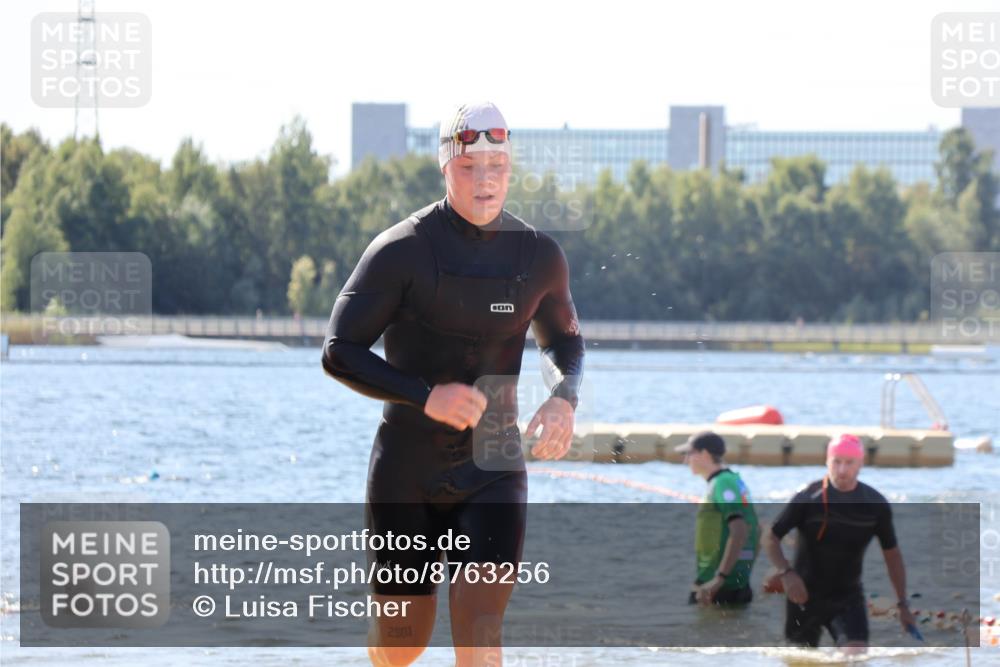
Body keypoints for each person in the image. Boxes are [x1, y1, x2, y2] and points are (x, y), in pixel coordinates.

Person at [321, 101, 585, 667]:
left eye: (497, 165)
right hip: (406, 471)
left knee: (481, 637)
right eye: (470, 167)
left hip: (492, 464)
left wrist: (564, 398)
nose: (485, 180)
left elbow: (563, 343)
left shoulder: (540, 256)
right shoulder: (401, 250)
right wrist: (424, 395)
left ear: (511, 169)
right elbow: (338, 351)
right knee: (403, 643)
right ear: (446, 167)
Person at [762, 433, 917, 652]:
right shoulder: (808, 498)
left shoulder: (875, 504)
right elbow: (770, 536)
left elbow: (892, 555)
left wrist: (902, 604)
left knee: (856, 656)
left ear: (861, 463)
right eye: (836, 462)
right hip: (803, 596)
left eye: (849, 462)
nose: (842, 470)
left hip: (847, 597)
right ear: (827, 461)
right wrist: (787, 573)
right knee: (800, 659)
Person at [675, 430, 759, 606]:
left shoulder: (722, 483)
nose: (685, 460)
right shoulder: (733, 480)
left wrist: (720, 577)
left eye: (689, 454)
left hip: (716, 584)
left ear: (705, 454)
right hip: (733, 581)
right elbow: (757, 529)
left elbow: (740, 530)